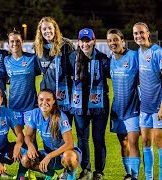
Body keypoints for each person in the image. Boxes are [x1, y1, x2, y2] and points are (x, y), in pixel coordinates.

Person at [69, 28, 110, 180]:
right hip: (79, 104)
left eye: (88, 40)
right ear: (78, 42)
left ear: (94, 41)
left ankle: (98, 171)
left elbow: (114, 76)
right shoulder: (72, 57)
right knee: (82, 139)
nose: (85, 44)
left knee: (98, 138)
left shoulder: (102, 58)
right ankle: (85, 169)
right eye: (82, 40)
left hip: (99, 105)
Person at [19, 89, 81, 180]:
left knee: (69, 158)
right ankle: (51, 174)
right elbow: (28, 135)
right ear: (38, 100)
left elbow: (69, 143)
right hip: (49, 153)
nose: (44, 102)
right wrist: (30, 146)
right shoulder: (34, 114)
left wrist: (49, 156)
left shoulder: (60, 117)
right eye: (41, 99)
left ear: (53, 101)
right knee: (25, 160)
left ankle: (70, 175)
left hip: (65, 154)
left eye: (48, 100)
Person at [107, 28, 140, 180]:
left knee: (133, 142)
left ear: (122, 40)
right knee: (123, 142)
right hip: (117, 108)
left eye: (115, 39)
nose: (112, 43)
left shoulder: (134, 56)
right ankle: (128, 174)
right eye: (109, 40)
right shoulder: (111, 60)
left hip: (133, 108)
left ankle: (134, 175)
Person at [133, 22, 162, 180]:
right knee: (145, 142)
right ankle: (149, 178)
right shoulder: (138, 51)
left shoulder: (158, 52)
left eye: (141, 33)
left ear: (148, 33)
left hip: (158, 107)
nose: (139, 36)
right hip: (145, 107)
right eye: (136, 33)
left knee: (160, 144)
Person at [34, 16, 74, 125]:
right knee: (49, 130)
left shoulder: (66, 45)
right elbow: (37, 69)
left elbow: (74, 69)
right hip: (47, 96)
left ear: (55, 29)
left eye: (50, 28)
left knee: (66, 129)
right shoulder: (38, 47)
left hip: (66, 95)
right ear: (40, 31)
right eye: (44, 29)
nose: (47, 31)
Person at [4, 29, 40, 126]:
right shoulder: (6, 60)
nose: (15, 43)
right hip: (14, 106)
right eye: (12, 41)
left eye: (18, 41)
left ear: (22, 42)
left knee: (30, 139)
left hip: (31, 106)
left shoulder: (32, 58)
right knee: (20, 139)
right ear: (8, 43)